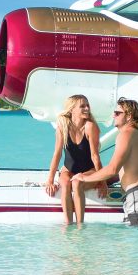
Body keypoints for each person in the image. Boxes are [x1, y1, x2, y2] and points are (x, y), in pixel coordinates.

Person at [75, 98, 138, 227]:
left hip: (137, 196)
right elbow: (130, 169)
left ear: (129, 116)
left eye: (117, 113)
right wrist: (107, 180)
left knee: (136, 244)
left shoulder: (126, 134)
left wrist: (84, 178)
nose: (113, 115)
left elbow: (112, 169)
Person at [44, 95, 100, 227]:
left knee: (76, 183)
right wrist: (50, 180)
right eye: (82, 106)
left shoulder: (89, 126)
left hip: (89, 170)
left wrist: (101, 180)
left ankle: (80, 226)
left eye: (87, 105)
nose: (87, 108)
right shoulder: (63, 127)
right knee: (65, 183)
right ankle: (68, 225)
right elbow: (57, 154)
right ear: (72, 110)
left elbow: (94, 156)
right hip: (68, 170)